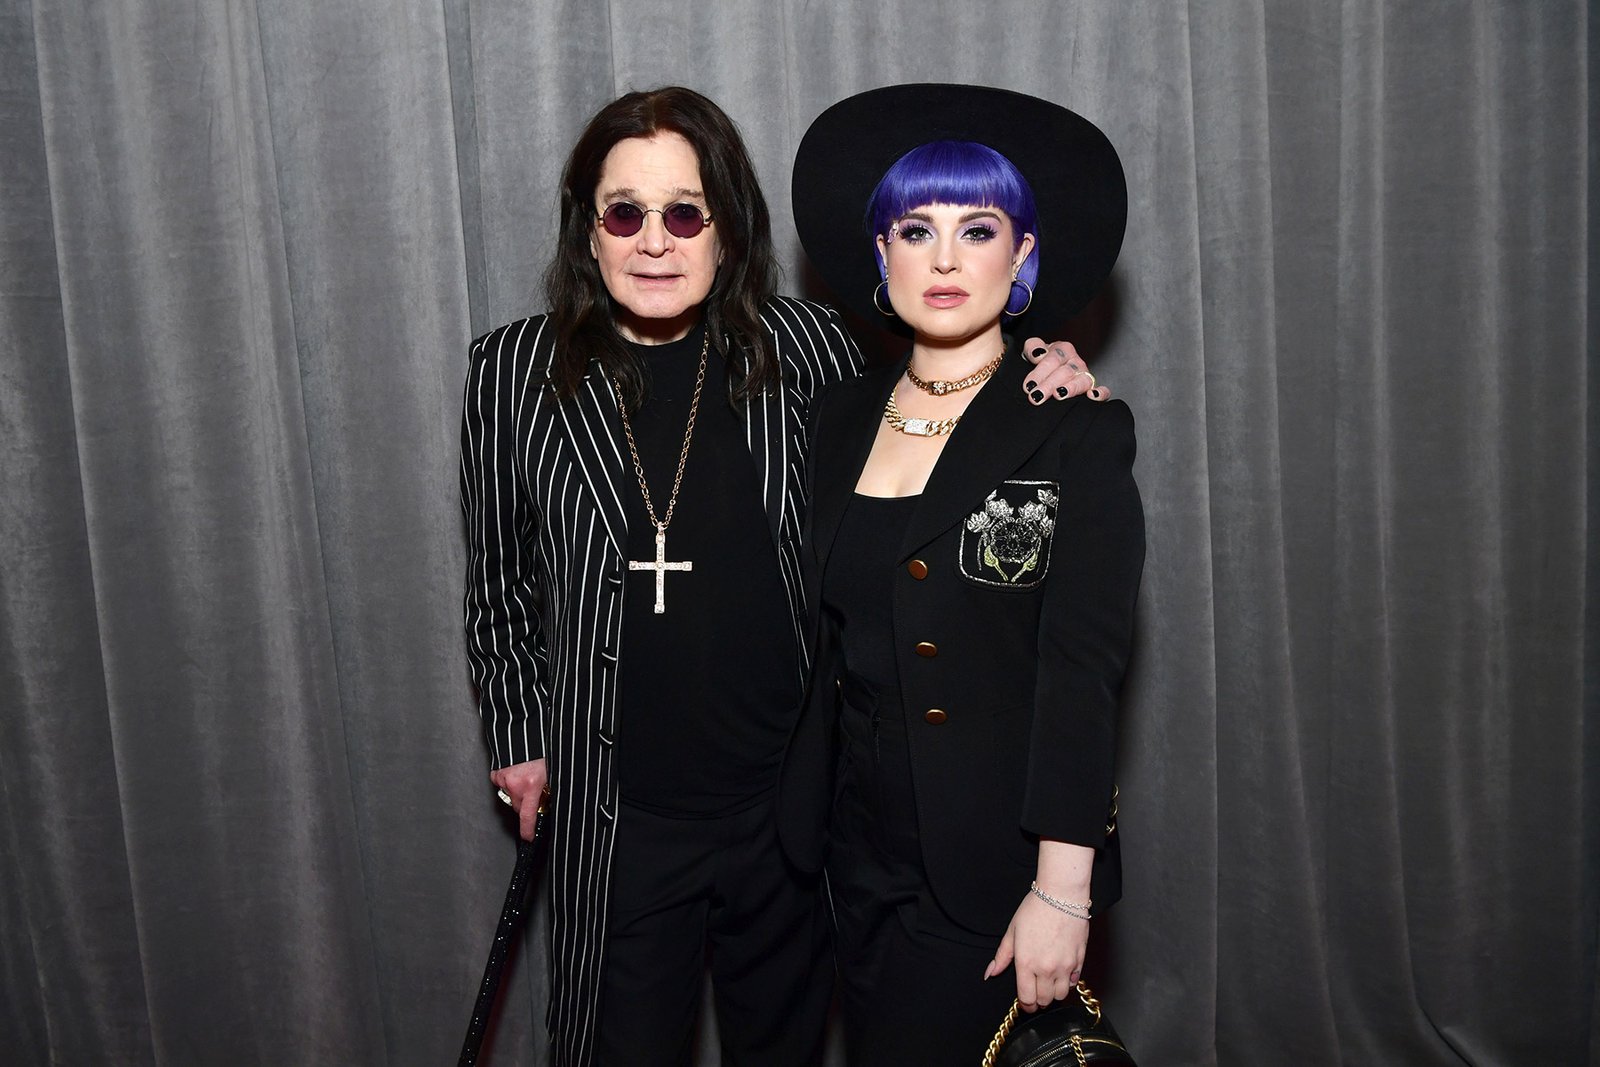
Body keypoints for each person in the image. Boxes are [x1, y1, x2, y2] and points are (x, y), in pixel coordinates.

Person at [460, 85, 1100, 1067]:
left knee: (789, 1046)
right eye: (624, 212)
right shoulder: (514, 370)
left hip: (790, 812)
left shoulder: (806, 348)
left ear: (726, 228)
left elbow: (945, 391)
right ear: (588, 231)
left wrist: (1040, 359)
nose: (654, 241)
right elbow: (497, 583)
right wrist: (518, 739)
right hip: (619, 811)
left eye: (685, 212)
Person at [778, 83, 1145, 1064]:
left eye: (977, 228)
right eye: (915, 228)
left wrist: (1061, 889)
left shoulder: (1074, 423)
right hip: (847, 861)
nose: (944, 257)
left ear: (1022, 255)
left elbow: (1082, 674)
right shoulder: (832, 420)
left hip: (992, 866)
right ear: (880, 254)